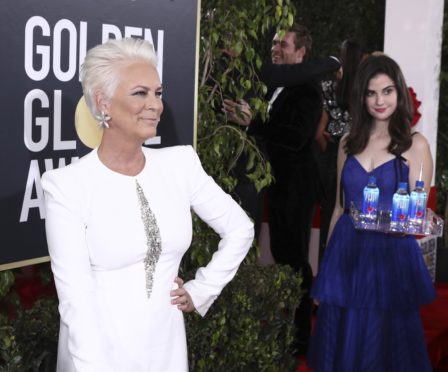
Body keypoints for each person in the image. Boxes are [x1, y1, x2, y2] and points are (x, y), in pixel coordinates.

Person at [41, 37, 254, 372]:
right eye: (140, 93)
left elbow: (240, 228)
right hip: (98, 354)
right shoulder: (67, 186)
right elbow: (76, 303)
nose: (155, 104)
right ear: (104, 102)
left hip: (166, 349)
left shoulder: (180, 164)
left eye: (158, 92)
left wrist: (202, 290)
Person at [308, 54, 436, 371]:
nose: (380, 100)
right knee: (343, 346)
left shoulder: (415, 145)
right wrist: (325, 272)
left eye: (387, 91)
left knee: (384, 349)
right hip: (347, 254)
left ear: (399, 93)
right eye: (371, 92)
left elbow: (417, 213)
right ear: (361, 96)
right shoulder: (348, 142)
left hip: (389, 260)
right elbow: (338, 207)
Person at [226, 23, 324, 355]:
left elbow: (295, 138)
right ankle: (283, 329)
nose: (276, 48)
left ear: (301, 52)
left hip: (296, 185)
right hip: (275, 184)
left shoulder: (308, 89)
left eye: (283, 44)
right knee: (282, 256)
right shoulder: (273, 85)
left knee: (293, 259)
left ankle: (299, 338)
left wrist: (252, 122)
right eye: (274, 43)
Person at [314, 38, 367, 261]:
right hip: (361, 154)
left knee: (331, 211)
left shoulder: (329, 88)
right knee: (359, 211)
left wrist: (331, 153)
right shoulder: (366, 91)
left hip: (333, 152)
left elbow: (318, 133)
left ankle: (327, 263)